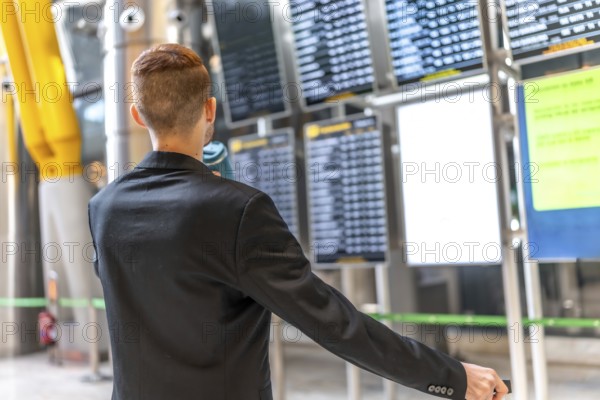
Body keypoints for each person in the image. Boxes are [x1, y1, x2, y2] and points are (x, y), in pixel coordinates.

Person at [88, 43, 509, 400]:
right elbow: (333, 323)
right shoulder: (239, 209)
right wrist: (453, 377)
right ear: (210, 109)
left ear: (138, 115)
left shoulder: (104, 207)